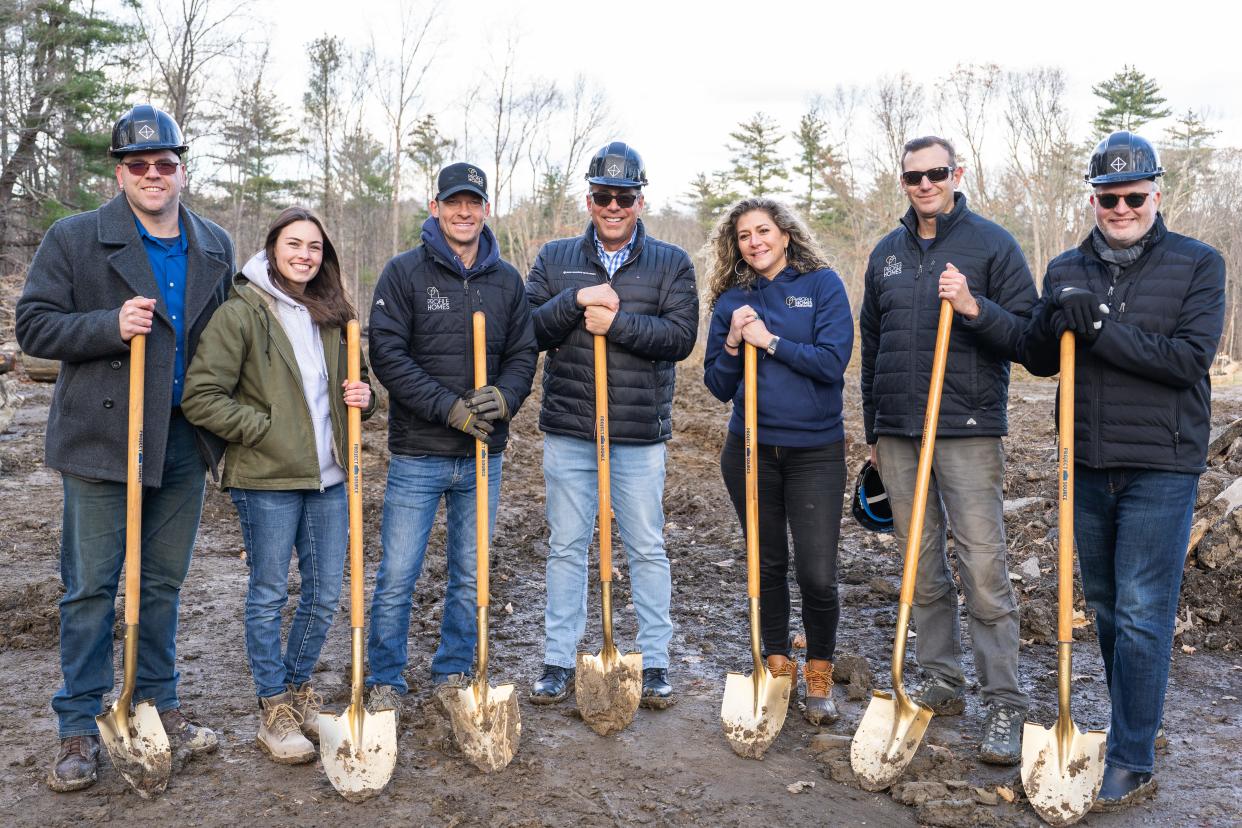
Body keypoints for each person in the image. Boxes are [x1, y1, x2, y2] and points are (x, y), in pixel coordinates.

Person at [16, 104, 234, 791]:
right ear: (119, 173)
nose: (151, 175)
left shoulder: (215, 245)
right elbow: (34, 327)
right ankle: (79, 725)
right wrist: (108, 324)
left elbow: (230, 344)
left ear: (182, 170)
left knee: (163, 584)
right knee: (90, 589)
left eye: (164, 164)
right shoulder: (75, 239)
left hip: (180, 441)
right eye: (137, 165)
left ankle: (156, 703)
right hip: (103, 441)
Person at [1017, 131, 1225, 810]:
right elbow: (1045, 359)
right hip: (1085, 459)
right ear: (1095, 198)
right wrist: (1054, 322)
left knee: (1142, 610)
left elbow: (1186, 361)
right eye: (1110, 197)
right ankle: (1138, 715)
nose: (1122, 207)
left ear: (1155, 194)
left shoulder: (1199, 264)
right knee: (1106, 605)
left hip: (1160, 463)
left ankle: (1133, 756)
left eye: (1135, 195)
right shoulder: (1066, 266)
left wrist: (1100, 324)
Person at [859, 135, 1036, 765]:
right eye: (913, 177)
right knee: (918, 559)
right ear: (902, 182)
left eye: (936, 173)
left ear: (957, 174)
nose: (925, 184)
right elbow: (872, 349)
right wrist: (872, 431)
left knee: (983, 563)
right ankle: (941, 674)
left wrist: (971, 306)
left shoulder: (992, 245)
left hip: (968, 427)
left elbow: (1032, 339)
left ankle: (1005, 701)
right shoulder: (886, 254)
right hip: (899, 431)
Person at [181, 207, 373, 764]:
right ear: (272, 249)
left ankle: (297, 690)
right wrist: (263, 428)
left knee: (323, 594)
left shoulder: (334, 315)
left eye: (314, 247)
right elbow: (200, 396)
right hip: (266, 479)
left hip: (330, 478)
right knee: (268, 593)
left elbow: (359, 391)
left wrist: (367, 399)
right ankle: (274, 709)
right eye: (294, 244)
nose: (305, 256)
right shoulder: (242, 313)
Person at [526, 141, 698, 708]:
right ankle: (557, 658)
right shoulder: (555, 259)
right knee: (566, 545)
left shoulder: (671, 263)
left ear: (641, 201)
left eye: (624, 196)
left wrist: (617, 321)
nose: (614, 205)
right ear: (589, 199)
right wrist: (575, 301)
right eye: (604, 195)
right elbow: (527, 331)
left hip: (638, 433)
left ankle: (654, 661)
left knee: (646, 546)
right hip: (571, 429)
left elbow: (679, 338)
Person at [364, 163, 537, 720]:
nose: (464, 212)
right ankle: (386, 677)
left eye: (474, 202)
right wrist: (449, 409)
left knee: (471, 572)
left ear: (486, 208)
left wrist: (505, 398)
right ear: (435, 206)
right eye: (453, 202)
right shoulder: (404, 273)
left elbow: (523, 355)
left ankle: (454, 669)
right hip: (418, 453)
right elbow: (388, 355)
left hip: (484, 456)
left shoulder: (508, 281)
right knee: (397, 574)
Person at [702, 198, 853, 724]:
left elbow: (832, 364)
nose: (755, 242)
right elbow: (717, 386)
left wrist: (768, 342)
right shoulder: (732, 300)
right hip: (749, 451)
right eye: (744, 235)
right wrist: (730, 342)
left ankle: (819, 668)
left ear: (785, 235)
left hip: (815, 451)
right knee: (765, 564)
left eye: (763, 231)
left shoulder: (822, 285)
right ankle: (776, 659)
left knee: (817, 573)